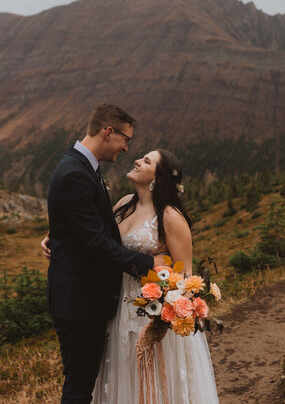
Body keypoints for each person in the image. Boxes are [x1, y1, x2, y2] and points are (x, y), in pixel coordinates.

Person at [45, 103, 163, 404]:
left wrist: (55, 237)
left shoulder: (84, 168)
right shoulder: (75, 173)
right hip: (78, 302)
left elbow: (82, 226)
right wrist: (149, 264)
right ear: (108, 131)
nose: (126, 148)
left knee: (83, 382)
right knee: (79, 386)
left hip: (84, 299)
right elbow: (95, 243)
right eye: (126, 139)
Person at [91, 148, 219, 403]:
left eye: (146, 161)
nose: (137, 161)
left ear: (157, 179)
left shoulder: (170, 217)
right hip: (120, 308)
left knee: (156, 383)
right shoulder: (124, 204)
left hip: (152, 316)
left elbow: (185, 276)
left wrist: (161, 323)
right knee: (123, 373)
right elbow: (100, 242)